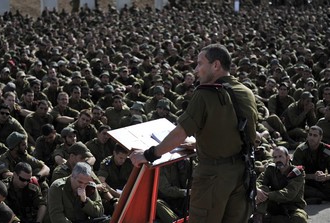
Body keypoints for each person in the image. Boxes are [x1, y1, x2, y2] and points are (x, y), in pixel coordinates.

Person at [130, 44, 258, 223]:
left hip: (212, 176)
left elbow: (180, 133)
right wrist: (200, 144)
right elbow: (244, 136)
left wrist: (149, 154)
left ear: (216, 65)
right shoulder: (246, 92)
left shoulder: (206, 94)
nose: (196, 69)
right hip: (241, 173)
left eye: (200, 63)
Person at [253, 146, 308, 223]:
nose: (278, 160)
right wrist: (258, 190)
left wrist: (267, 195)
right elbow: (259, 181)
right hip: (274, 205)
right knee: (262, 188)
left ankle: (268, 220)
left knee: (299, 219)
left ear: (288, 157)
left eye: (280, 156)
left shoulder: (297, 173)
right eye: (275, 157)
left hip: (292, 206)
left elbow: (289, 193)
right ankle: (258, 217)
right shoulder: (271, 169)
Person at [292, 125, 330, 204]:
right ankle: (320, 196)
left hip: (322, 181)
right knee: (295, 187)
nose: (311, 138)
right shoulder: (300, 150)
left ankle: (316, 197)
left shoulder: (327, 150)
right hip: (306, 181)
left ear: (320, 138)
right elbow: (294, 173)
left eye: (315, 135)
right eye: (310, 134)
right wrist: (313, 176)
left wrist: (326, 177)